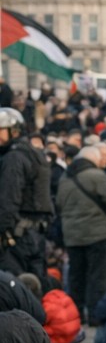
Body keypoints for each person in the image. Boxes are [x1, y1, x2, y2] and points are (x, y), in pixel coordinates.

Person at [55, 143, 106, 325]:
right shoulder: (97, 176)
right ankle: (96, 315)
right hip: (99, 234)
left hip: (73, 235)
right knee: (98, 276)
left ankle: (75, 315)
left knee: (76, 276)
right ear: (93, 159)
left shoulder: (65, 178)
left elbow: (59, 205)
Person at [0, 106, 53, 280]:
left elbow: (9, 198)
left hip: (18, 237)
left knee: (14, 291)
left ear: (14, 131)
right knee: (34, 289)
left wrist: (3, 230)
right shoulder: (35, 154)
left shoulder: (13, 158)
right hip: (36, 234)